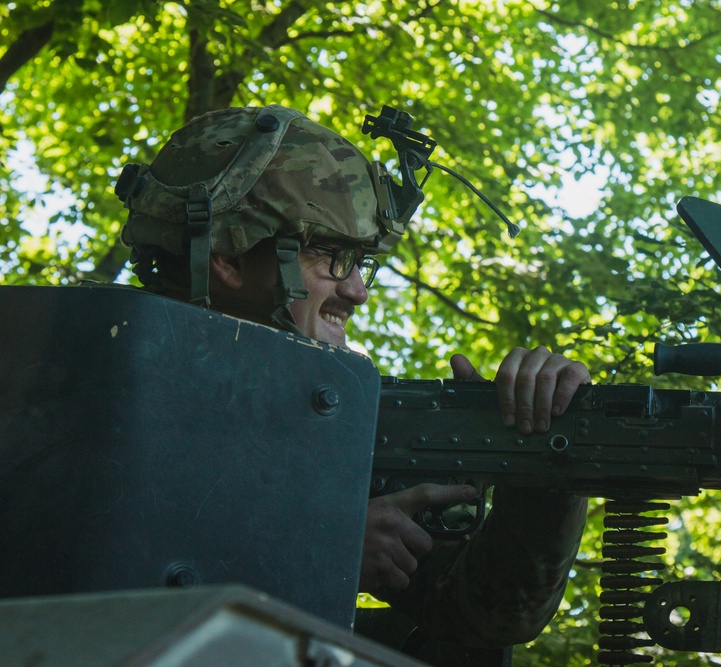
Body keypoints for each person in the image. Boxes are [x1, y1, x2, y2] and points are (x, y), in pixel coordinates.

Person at [115, 104, 589, 663]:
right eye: (333, 255)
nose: (358, 291)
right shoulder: (74, 384)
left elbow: (486, 614)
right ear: (229, 257)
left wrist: (543, 462)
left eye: (362, 261)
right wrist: (310, 552)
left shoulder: (327, 425)